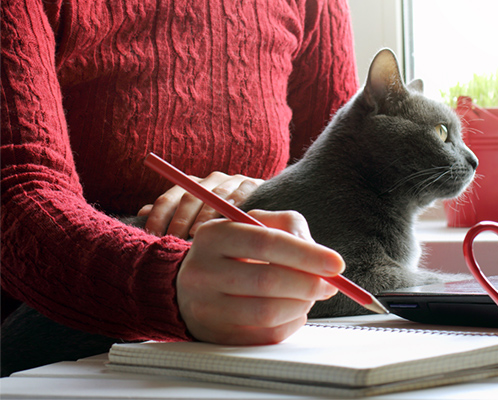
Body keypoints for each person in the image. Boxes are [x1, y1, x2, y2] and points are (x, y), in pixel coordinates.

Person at [1, 0, 359, 374]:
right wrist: (167, 283)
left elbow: (343, 182)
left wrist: (265, 193)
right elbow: (18, 192)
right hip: (55, 355)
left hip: (261, 341)